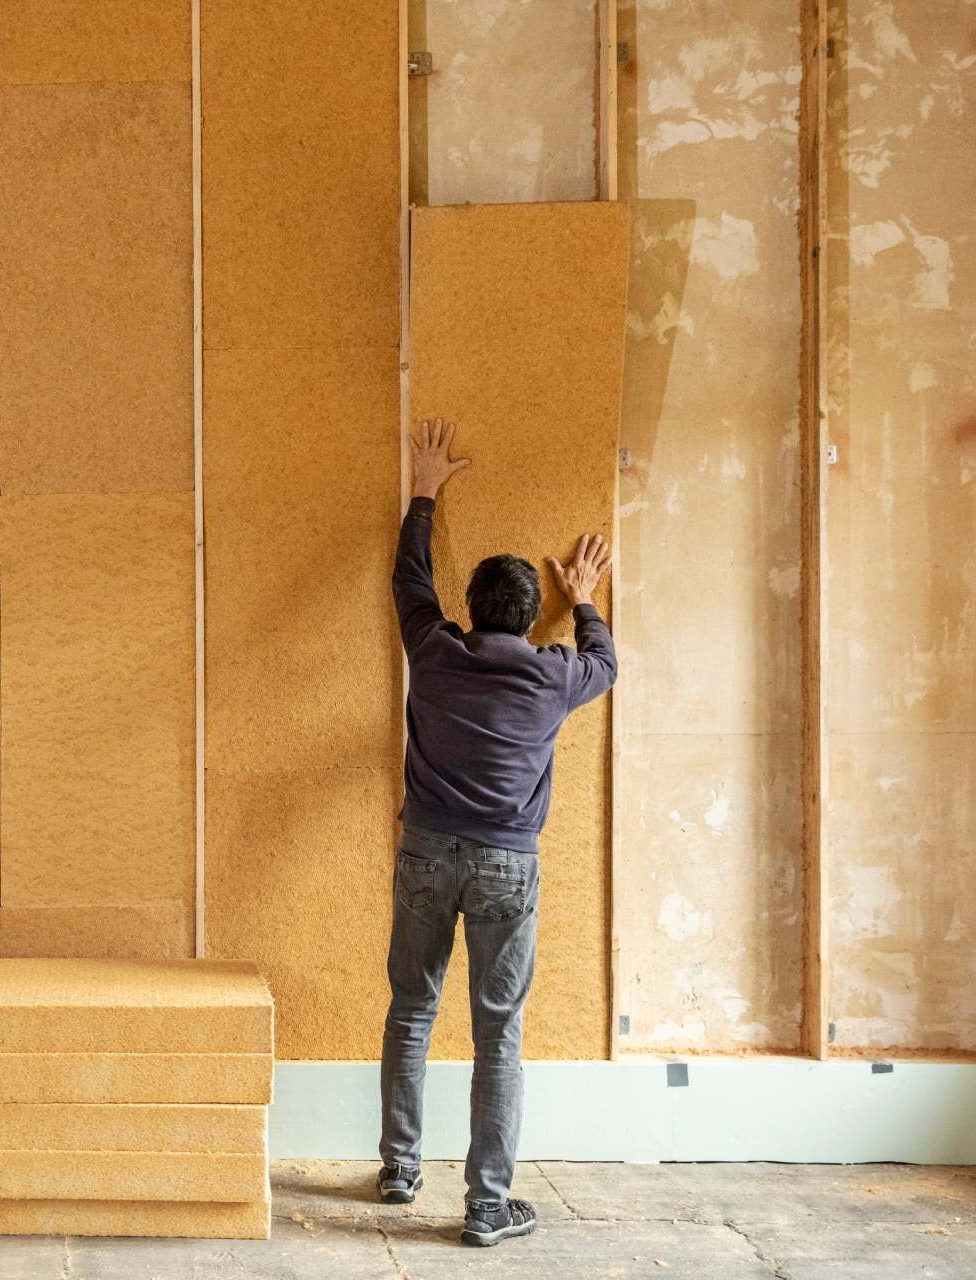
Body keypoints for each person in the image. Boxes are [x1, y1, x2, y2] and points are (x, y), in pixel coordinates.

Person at [378, 418, 617, 1248]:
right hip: (507, 865)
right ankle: (486, 1206)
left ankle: (400, 1169)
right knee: (497, 1032)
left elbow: (409, 581)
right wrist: (583, 598)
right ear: (531, 620)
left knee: (412, 1006)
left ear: (470, 613)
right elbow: (607, 663)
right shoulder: (555, 677)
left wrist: (423, 489)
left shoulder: (437, 653)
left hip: (424, 851)